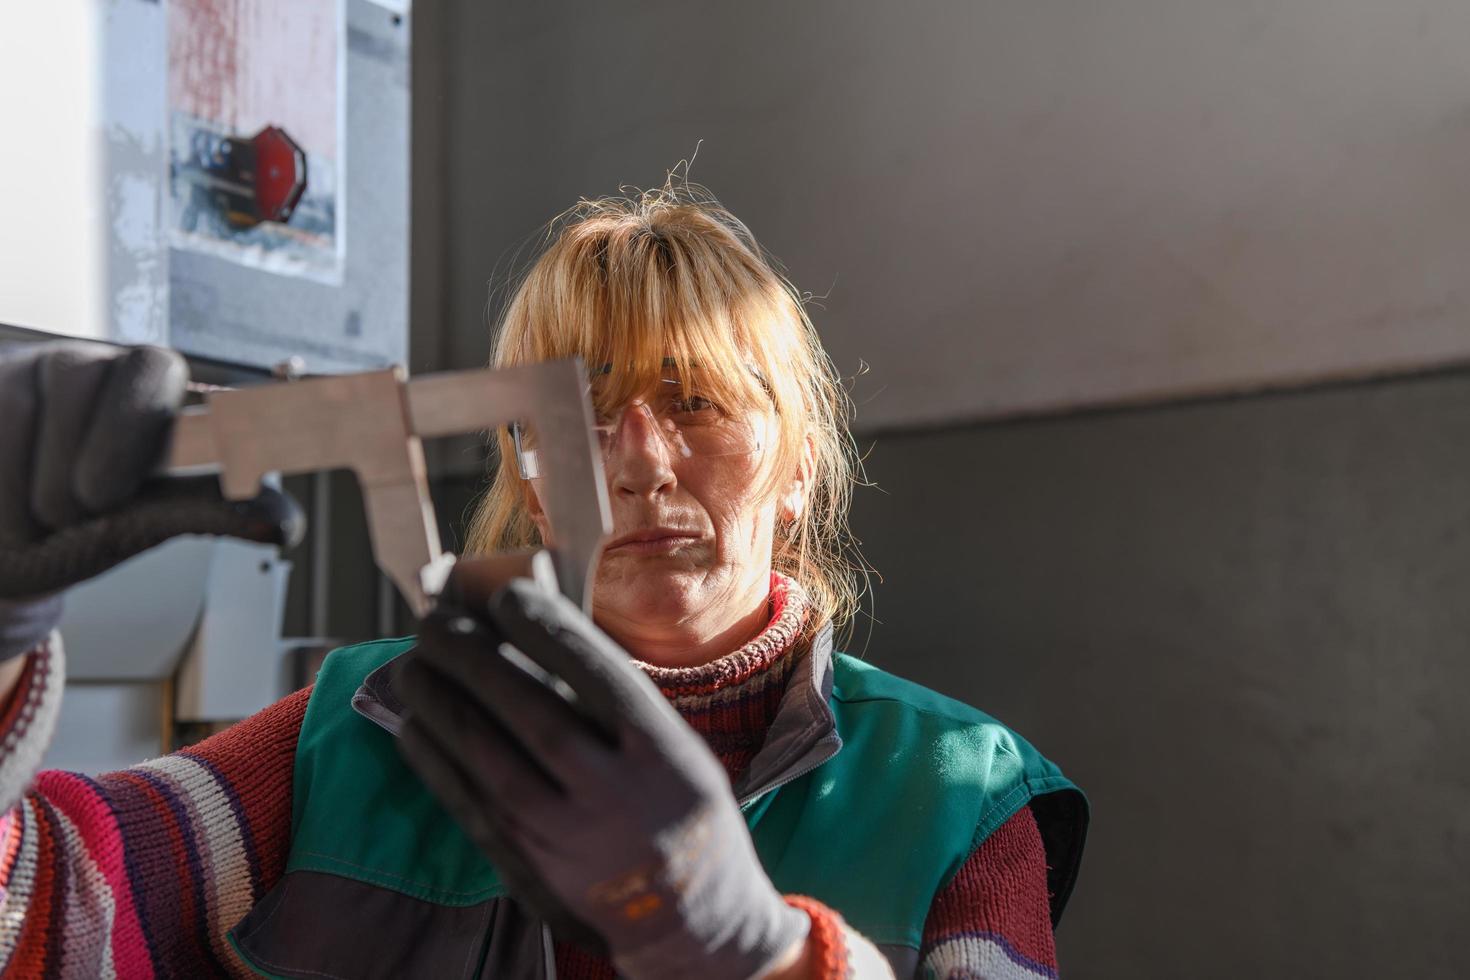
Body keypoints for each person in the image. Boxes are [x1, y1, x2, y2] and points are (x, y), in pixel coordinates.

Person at [0, 183, 1087, 978]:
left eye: (697, 401)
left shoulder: (961, 797)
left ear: (800, 464)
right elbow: (52, 902)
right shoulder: (359, 731)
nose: (643, 460)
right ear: (532, 481)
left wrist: (762, 954)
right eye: (583, 416)